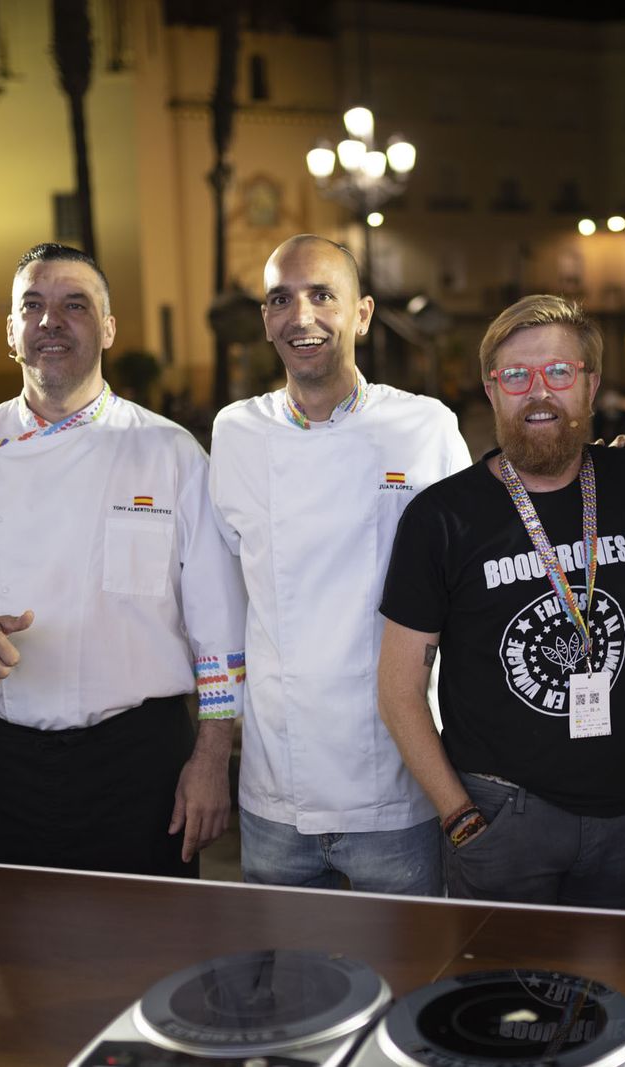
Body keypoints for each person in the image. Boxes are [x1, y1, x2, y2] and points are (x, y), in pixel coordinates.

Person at [0, 243, 245, 877]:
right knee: (3, 960)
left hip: (142, 760)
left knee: (150, 955)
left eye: (75, 305)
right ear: (12, 332)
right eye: (33, 306)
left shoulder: (170, 451)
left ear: (107, 328)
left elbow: (220, 627)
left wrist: (211, 761)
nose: (52, 321)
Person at [208, 235, 470, 894]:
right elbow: (219, 608)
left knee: (410, 983)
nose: (302, 317)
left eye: (323, 295)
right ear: (266, 319)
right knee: (292, 992)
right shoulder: (235, 432)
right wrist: (213, 747)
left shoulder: (425, 426)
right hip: (276, 793)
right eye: (281, 299)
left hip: (396, 785)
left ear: (362, 314)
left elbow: (471, 585)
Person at [378, 294, 625, 909]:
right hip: (500, 815)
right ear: (491, 389)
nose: (538, 392)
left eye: (559, 372)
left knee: (622, 997)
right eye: (516, 375)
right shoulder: (441, 516)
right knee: (503, 1001)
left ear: (591, 386)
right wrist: (460, 819)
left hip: (621, 820)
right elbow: (398, 689)